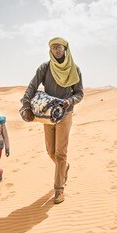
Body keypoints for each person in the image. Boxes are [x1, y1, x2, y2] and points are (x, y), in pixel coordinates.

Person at [20, 37, 84, 204]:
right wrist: (26, 105)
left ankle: (59, 189)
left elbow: (79, 93)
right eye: (54, 47)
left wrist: (69, 101)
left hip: (66, 113)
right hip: (48, 114)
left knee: (61, 152)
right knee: (50, 151)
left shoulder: (74, 69)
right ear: (50, 50)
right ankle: (64, 169)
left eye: (59, 47)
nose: (57, 50)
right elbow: (32, 86)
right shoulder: (45, 68)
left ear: (65, 49)